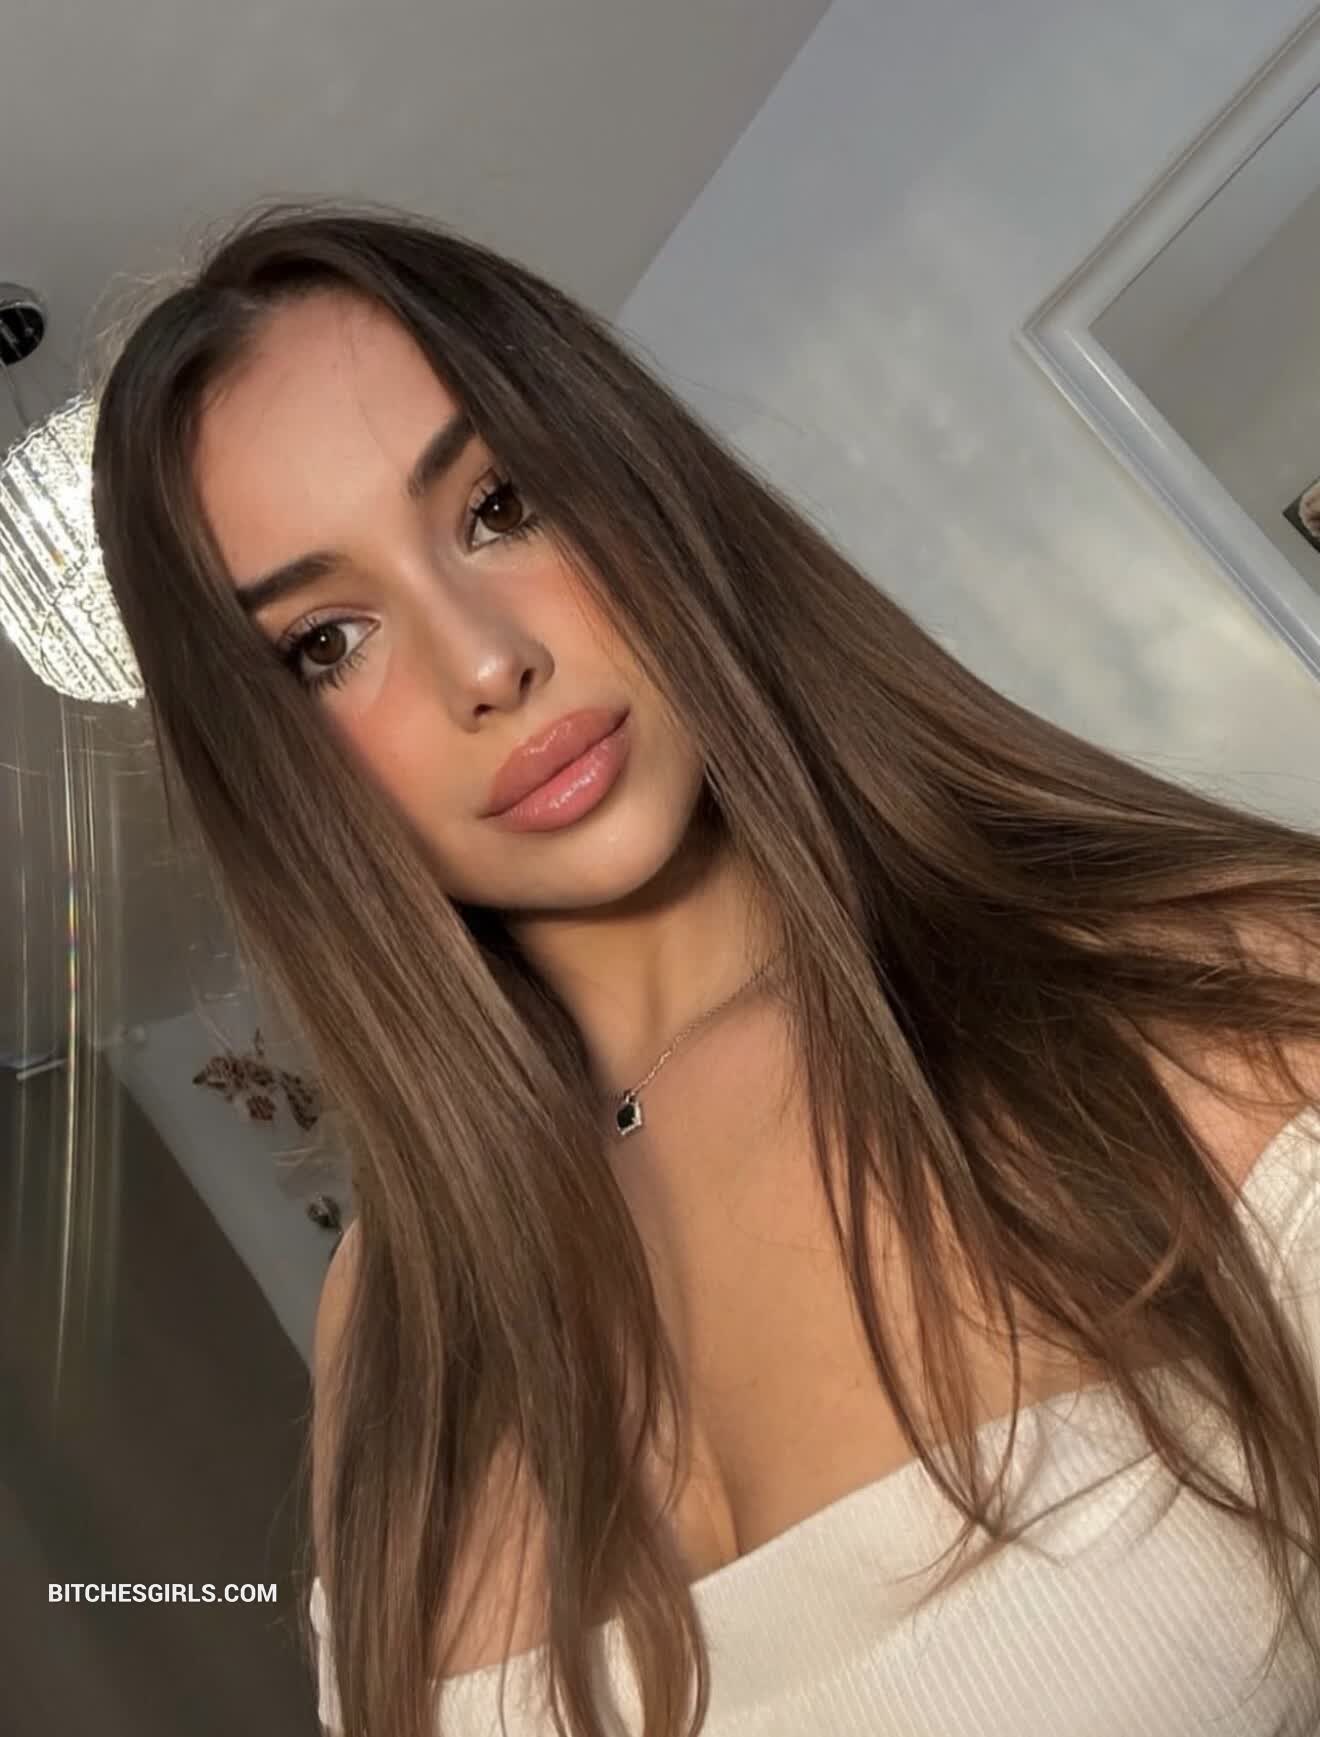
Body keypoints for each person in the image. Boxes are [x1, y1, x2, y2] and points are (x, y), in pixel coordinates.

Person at [89, 199, 1320, 1737]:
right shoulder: (390, 1323)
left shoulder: (1223, 998)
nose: (486, 661)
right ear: (276, 772)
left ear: (638, 486)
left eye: (500, 505)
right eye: (327, 642)